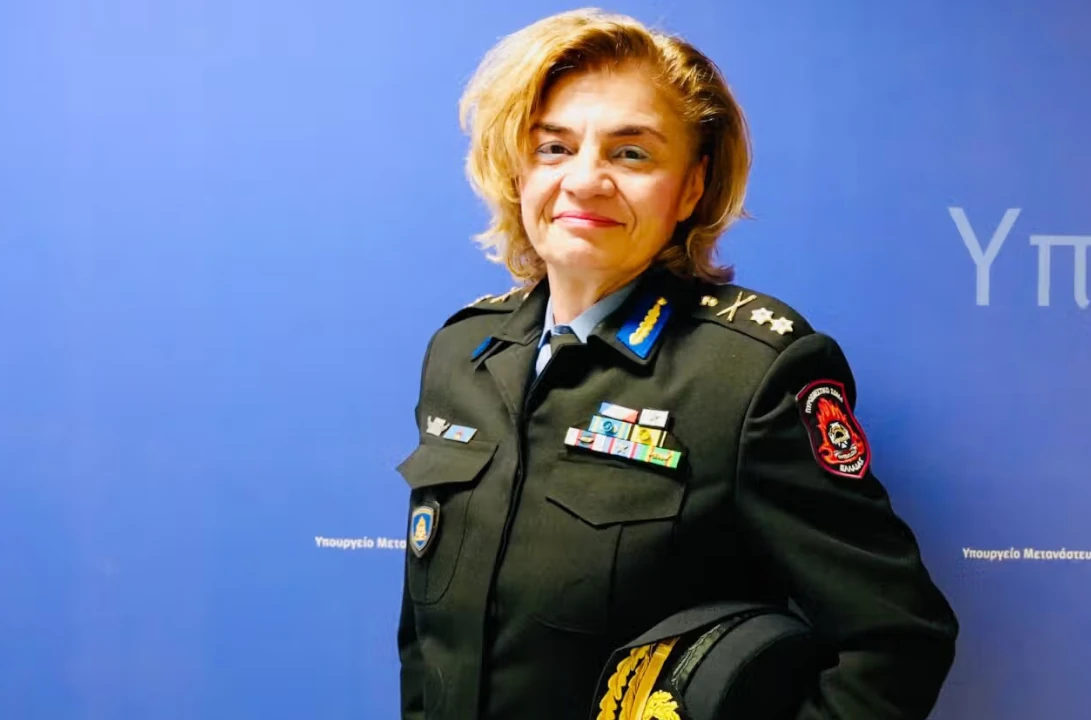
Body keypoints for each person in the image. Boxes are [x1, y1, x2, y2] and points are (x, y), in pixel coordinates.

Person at [395, 8, 958, 720]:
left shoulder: (751, 375)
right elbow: (426, 645)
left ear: (692, 187)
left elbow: (897, 639)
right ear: (516, 169)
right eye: (554, 147)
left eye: (631, 154)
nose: (585, 180)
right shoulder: (462, 353)